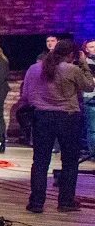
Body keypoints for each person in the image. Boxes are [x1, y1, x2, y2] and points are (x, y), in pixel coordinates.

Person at [20, 38, 94, 213]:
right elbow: (90, 86)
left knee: (40, 162)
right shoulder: (72, 69)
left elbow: (26, 94)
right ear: (70, 55)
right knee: (69, 161)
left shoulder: (34, 68)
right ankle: (65, 202)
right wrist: (83, 63)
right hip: (67, 118)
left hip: (41, 117)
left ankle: (37, 203)